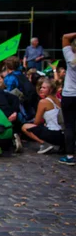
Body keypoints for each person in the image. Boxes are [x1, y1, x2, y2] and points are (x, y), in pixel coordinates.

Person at [21, 78, 64, 154]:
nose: (41, 89)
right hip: (62, 134)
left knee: (25, 127)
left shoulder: (43, 102)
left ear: (50, 90)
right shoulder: (59, 100)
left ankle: (44, 144)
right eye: (41, 87)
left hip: (53, 134)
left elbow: (36, 122)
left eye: (44, 88)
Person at [59, 33, 76, 165]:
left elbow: (65, 37)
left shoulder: (71, 58)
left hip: (69, 95)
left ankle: (70, 155)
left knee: (69, 125)